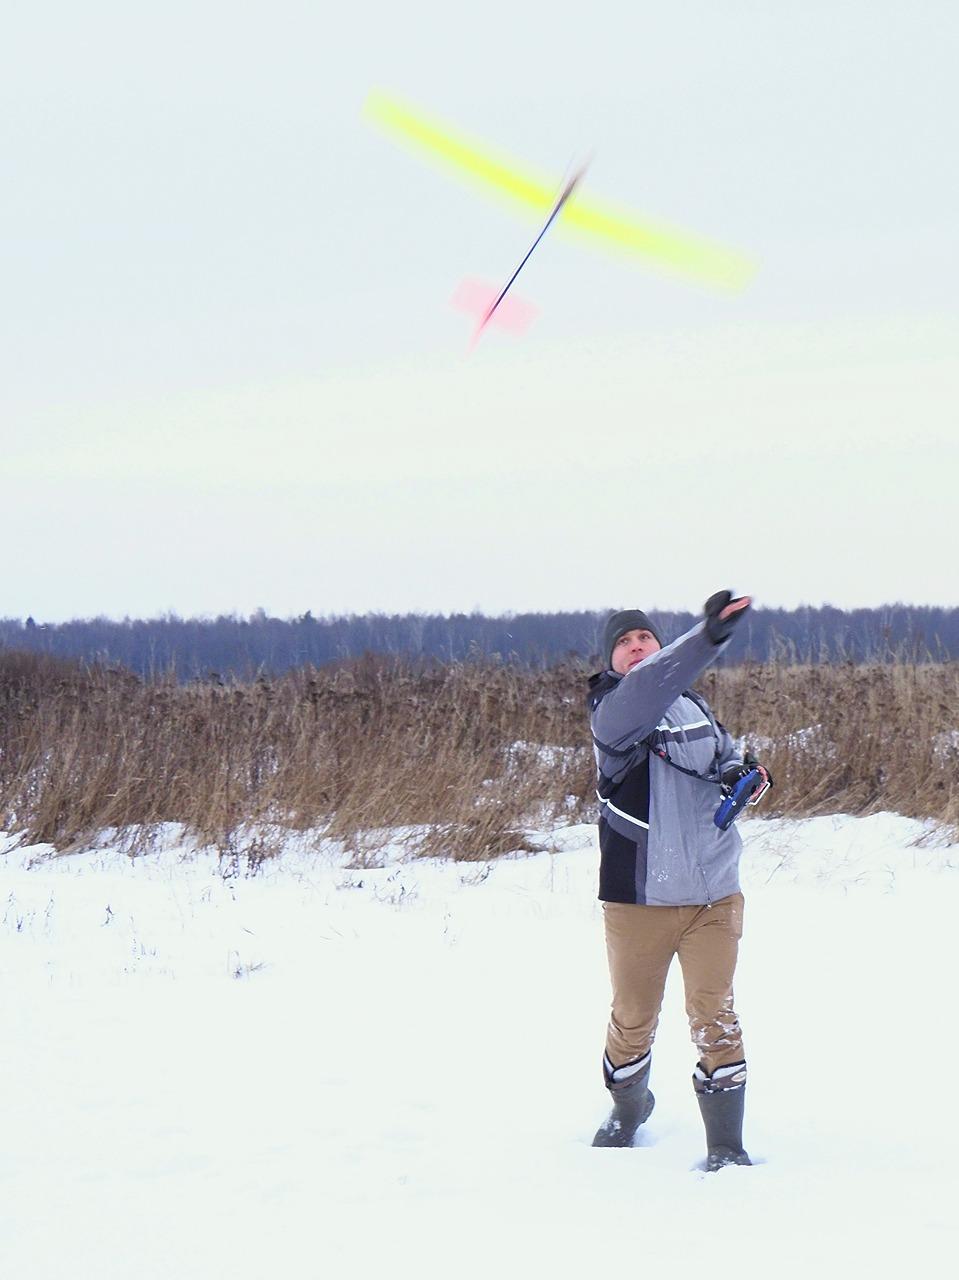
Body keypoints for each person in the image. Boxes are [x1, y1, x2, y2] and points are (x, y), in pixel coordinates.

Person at [586, 591, 770, 1170]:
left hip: (714, 895)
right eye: (623, 642)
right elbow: (651, 684)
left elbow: (723, 753)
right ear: (610, 660)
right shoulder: (614, 710)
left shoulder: (693, 705)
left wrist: (740, 774)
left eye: (645, 637)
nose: (636, 647)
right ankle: (628, 1108)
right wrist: (708, 636)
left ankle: (726, 1147)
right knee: (633, 1019)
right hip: (639, 900)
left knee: (715, 1016)